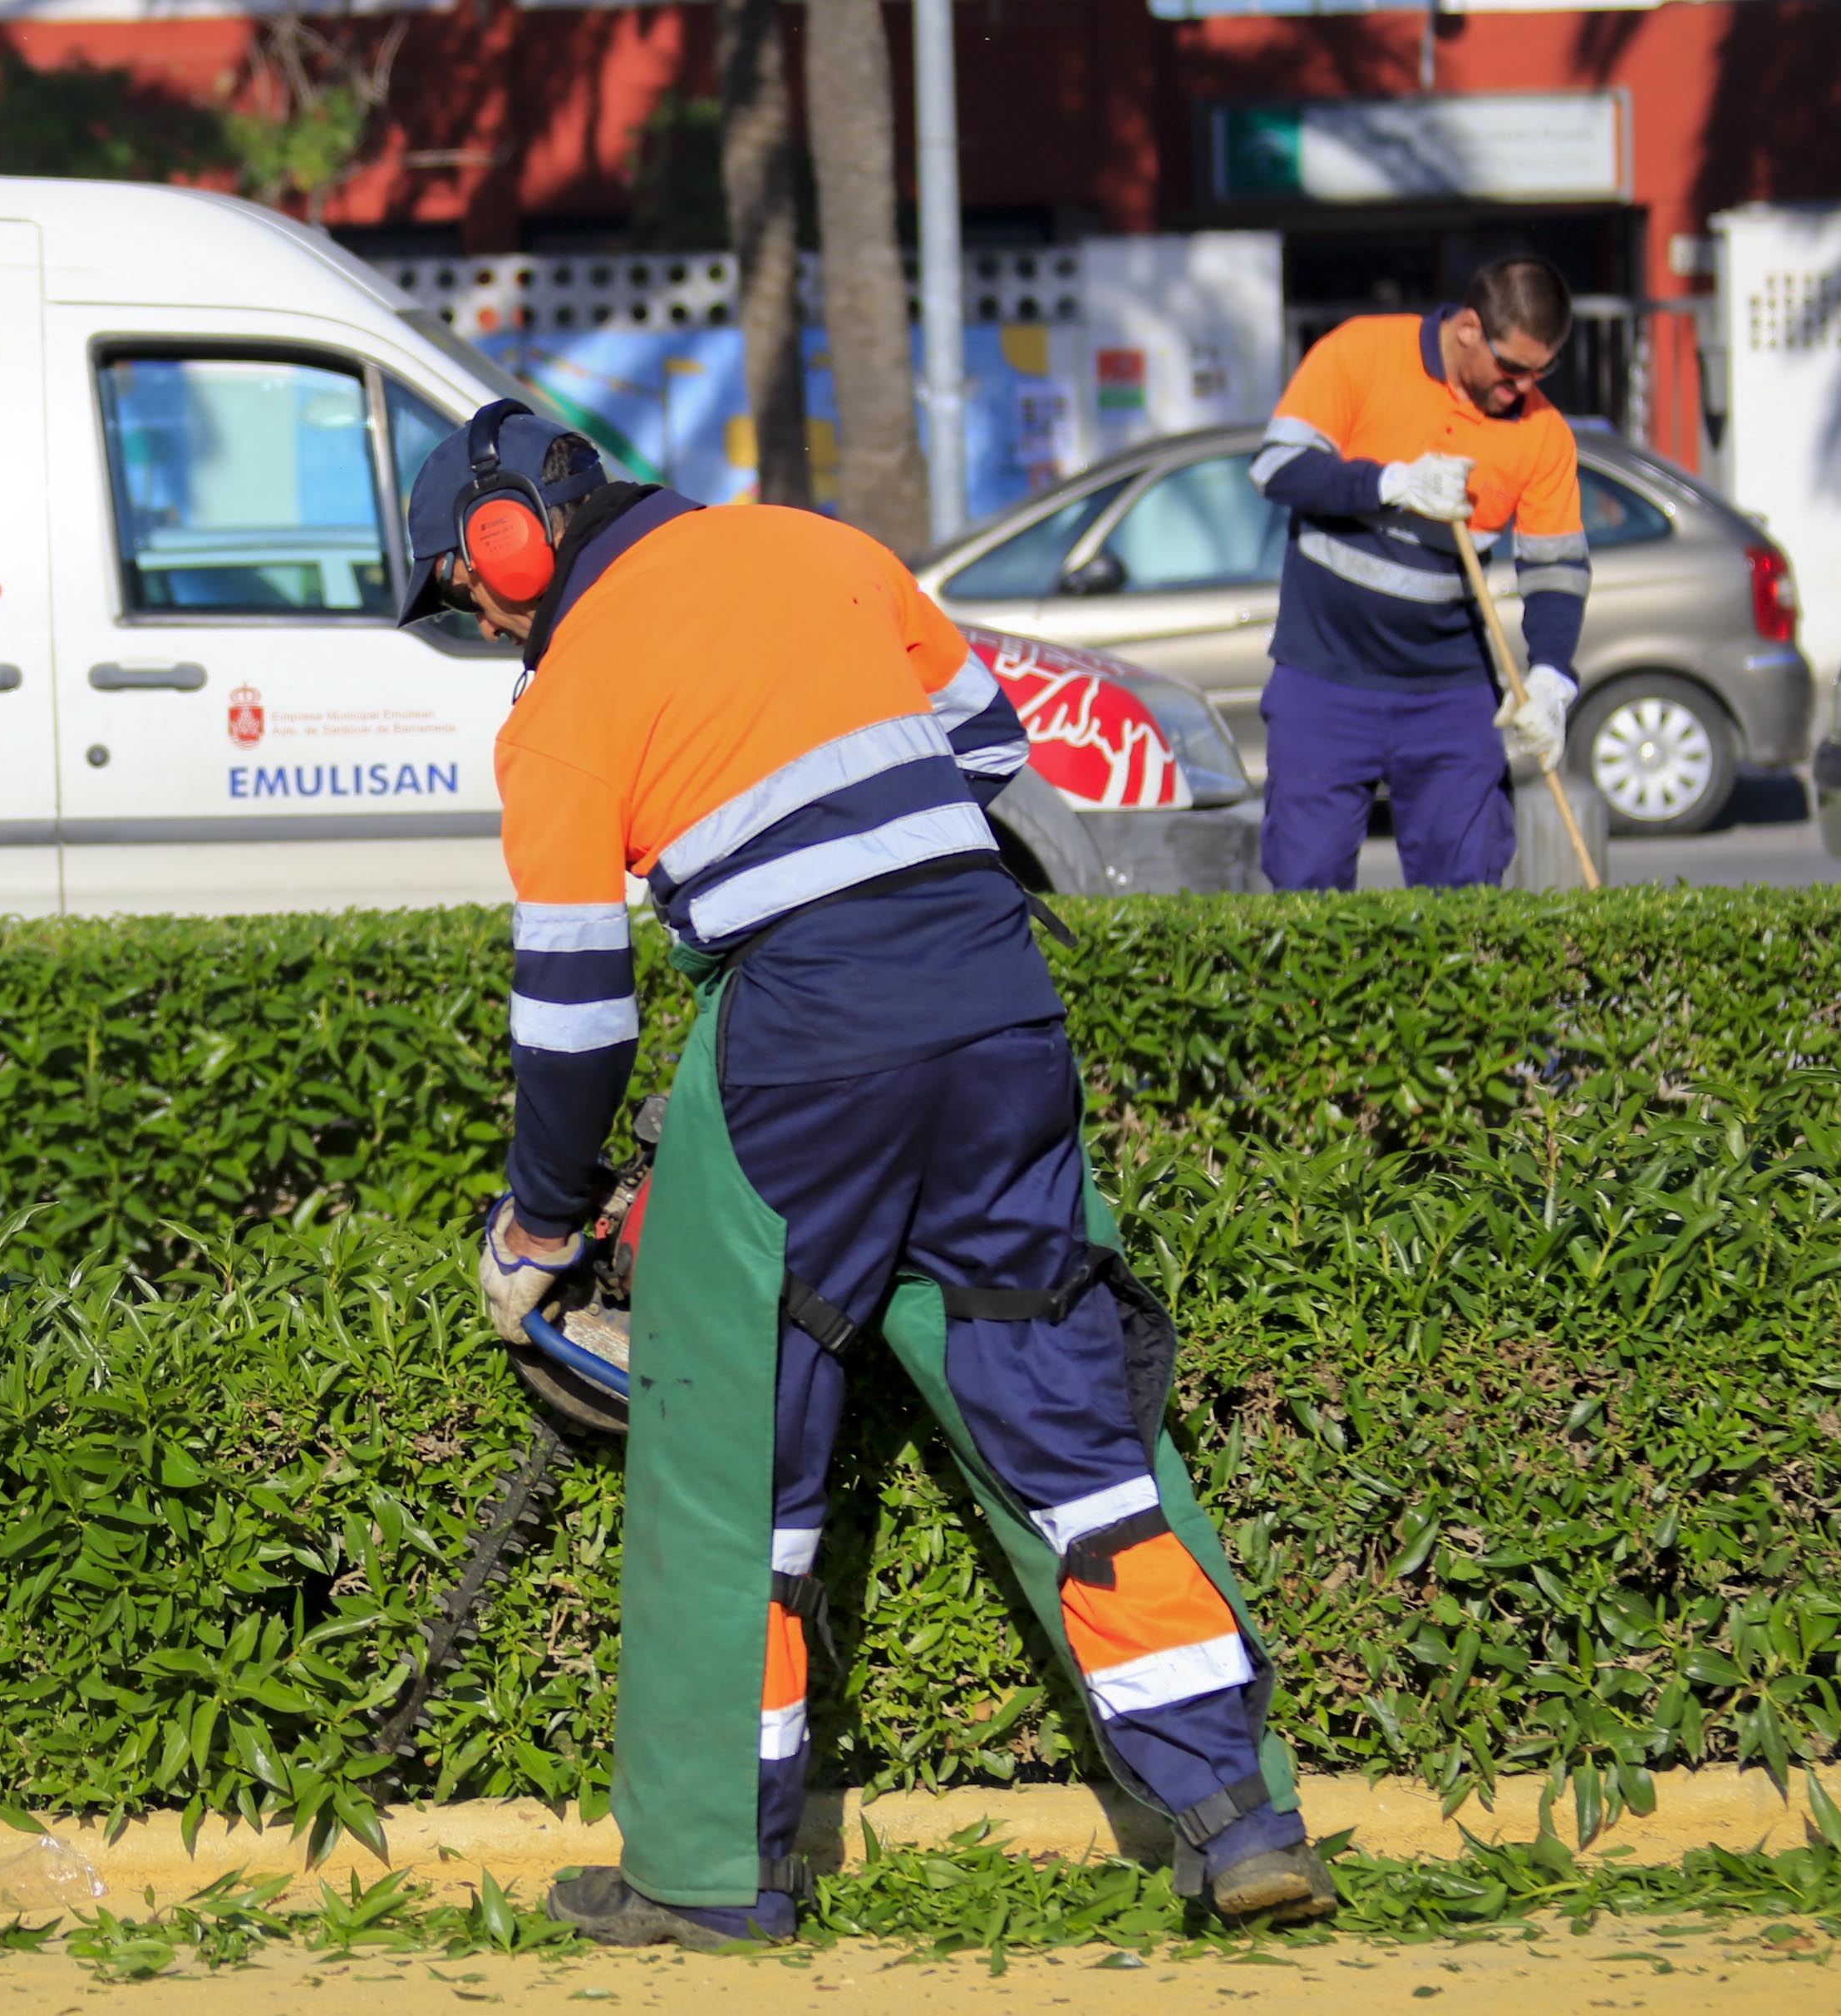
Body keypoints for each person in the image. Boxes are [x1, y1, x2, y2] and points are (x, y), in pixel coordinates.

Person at [396, 399, 1336, 1948]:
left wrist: (538, 1226)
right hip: (996, 1002)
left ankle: (707, 1878)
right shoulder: (817, 546)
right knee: (1076, 1438)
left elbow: (572, 1008)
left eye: (472, 593)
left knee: (727, 1467)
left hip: (800, 1046)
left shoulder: (560, 708)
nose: (489, 625)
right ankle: (1237, 1819)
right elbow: (986, 743)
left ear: (509, 541)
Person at [1251, 257, 1592, 890]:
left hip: (1449, 690)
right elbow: (1278, 470)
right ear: (1468, 327)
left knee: (1465, 892)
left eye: (1541, 370)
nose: (1522, 387)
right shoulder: (1361, 351)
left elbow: (1556, 568)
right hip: (1324, 676)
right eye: (1512, 367)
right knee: (1306, 886)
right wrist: (1391, 481)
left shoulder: (1543, 435)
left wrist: (1550, 676)